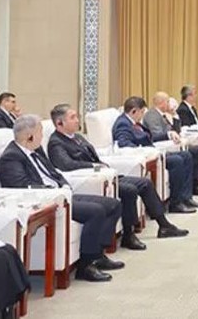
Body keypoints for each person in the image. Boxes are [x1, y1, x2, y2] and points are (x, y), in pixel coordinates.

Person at [0, 115, 125, 282]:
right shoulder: (11, 157)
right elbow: (20, 186)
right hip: (49, 200)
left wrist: (64, 185)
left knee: (114, 205)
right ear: (29, 136)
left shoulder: (36, 150)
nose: (42, 136)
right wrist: (55, 192)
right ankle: (85, 266)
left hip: (62, 195)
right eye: (40, 132)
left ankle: (97, 255)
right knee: (96, 211)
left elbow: (53, 172)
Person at [47, 103, 189, 251]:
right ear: (59, 123)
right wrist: (95, 166)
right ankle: (128, 234)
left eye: (77, 116)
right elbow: (66, 164)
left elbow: (93, 156)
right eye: (72, 117)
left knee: (144, 183)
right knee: (129, 190)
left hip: (106, 175)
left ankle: (164, 225)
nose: (77, 120)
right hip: (91, 179)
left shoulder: (77, 137)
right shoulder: (56, 142)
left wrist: (102, 166)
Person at [113, 96, 198, 213]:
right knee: (177, 160)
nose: (142, 116)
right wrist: (145, 151)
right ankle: (175, 203)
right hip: (147, 155)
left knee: (186, 155)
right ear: (134, 111)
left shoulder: (134, 122)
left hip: (154, 151)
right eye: (142, 112)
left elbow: (149, 138)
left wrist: (168, 134)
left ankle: (186, 197)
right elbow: (124, 144)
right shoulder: (123, 123)